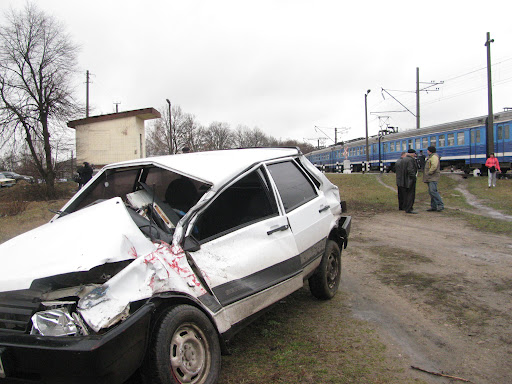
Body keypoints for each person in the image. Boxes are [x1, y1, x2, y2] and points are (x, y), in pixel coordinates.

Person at [423, 146, 444, 212]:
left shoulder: (434, 157)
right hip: (430, 177)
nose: (427, 151)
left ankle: (440, 205)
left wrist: (429, 172)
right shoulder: (431, 157)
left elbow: (434, 166)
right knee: (431, 192)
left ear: (430, 151)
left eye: (427, 150)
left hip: (433, 177)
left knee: (433, 191)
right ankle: (433, 206)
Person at [401, 149, 418, 214]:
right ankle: (409, 208)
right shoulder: (411, 160)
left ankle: (406, 207)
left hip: (404, 179)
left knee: (406, 194)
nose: (415, 155)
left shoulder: (404, 159)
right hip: (410, 180)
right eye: (414, 153)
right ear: (412, 154)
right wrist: (414, 177)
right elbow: (410, 170)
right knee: (411, 194)